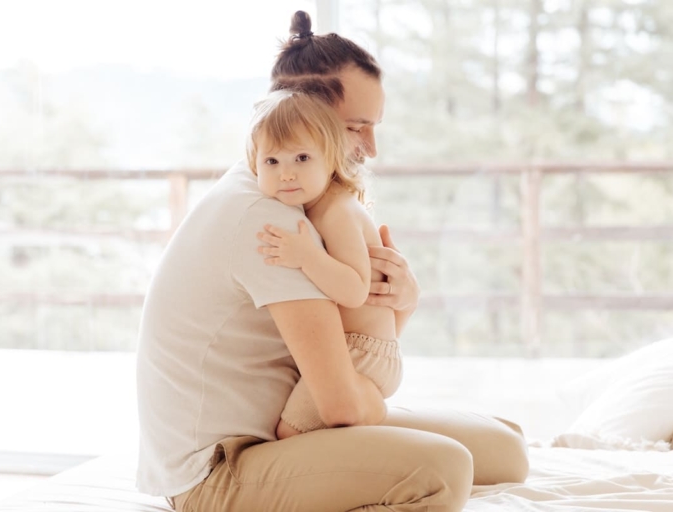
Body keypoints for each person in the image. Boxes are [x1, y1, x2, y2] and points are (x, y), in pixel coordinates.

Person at [136, 11, 529, 512]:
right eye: (356, 127)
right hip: (219, 470)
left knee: (506, 448)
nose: (371, 148)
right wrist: (372, 413)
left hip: (295, 423)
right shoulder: (270, 220)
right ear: (304, 116)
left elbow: (350, 356)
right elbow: (341, 403)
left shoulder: (299, 200)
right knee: (443, 468)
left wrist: (400, 304)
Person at [246, 90, 403, 439]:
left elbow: (354, 289)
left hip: (362, 352)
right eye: (272, 162)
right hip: (361, 348)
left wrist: (308, 258)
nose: (286, 174)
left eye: (302, 158)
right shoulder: (316, 205)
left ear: (330, 159)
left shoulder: (337, 211)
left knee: (290, 433)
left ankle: (371, 424)